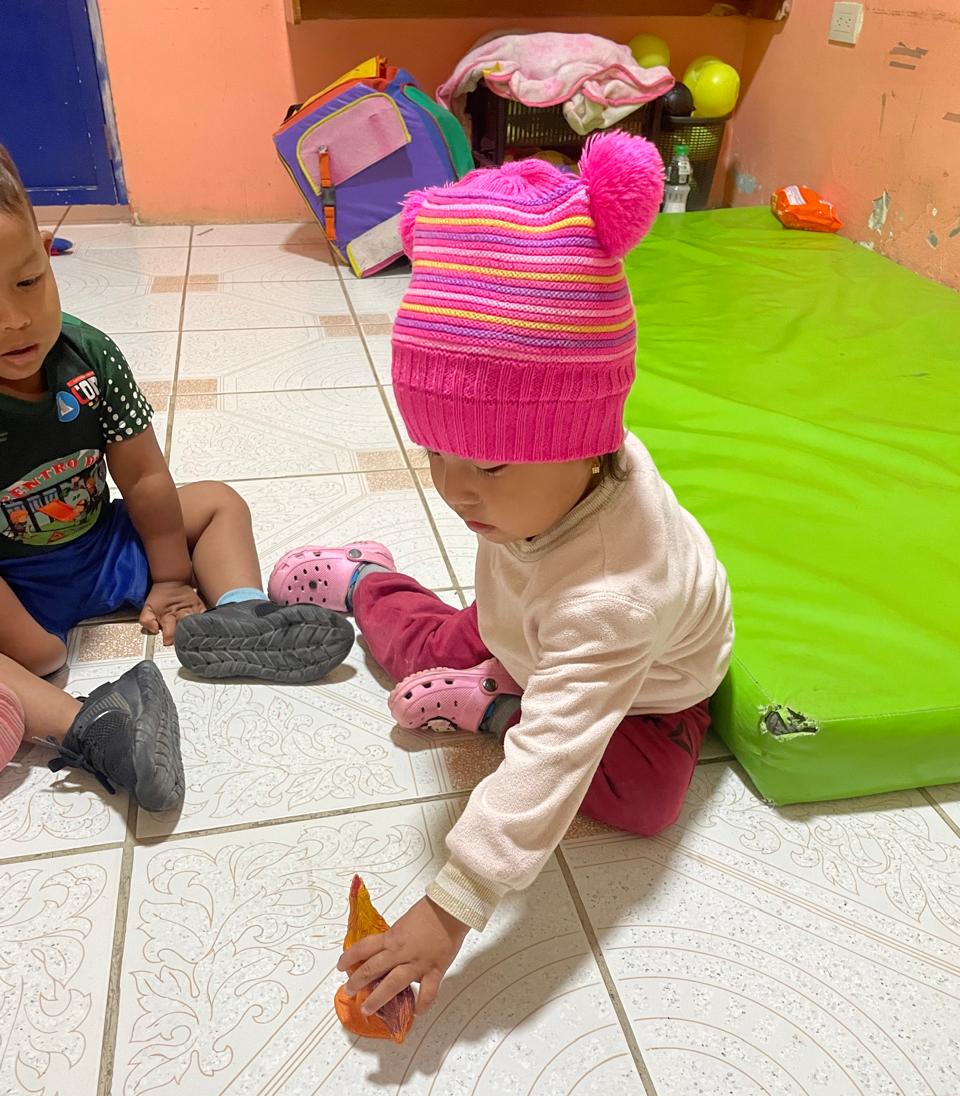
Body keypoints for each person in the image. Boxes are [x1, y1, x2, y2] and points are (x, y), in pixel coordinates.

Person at [267, 133, 735, 1019]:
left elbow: (555, 760)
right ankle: (368, 582)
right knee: (423, 645)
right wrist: (489, 615)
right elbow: (500, 519)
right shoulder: (538, 483)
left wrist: (452, 907)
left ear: (587, 442)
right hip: (519, 620)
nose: (454, 490)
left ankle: (495, 704)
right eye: (437, 454)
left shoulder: (615, 595)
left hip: (648, 693)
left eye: (488, 464)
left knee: (645, 799)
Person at [0, 145, 353, 806]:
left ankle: (241, 614)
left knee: (217, 503)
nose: (15, 319)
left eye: (27, 282)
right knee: (38, 658)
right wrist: (32, 645)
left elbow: (144, 479)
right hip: (13, 586)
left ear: (48, 256)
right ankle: (94, 725)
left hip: (102, 544)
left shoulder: (88, 353)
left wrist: (168, 576)